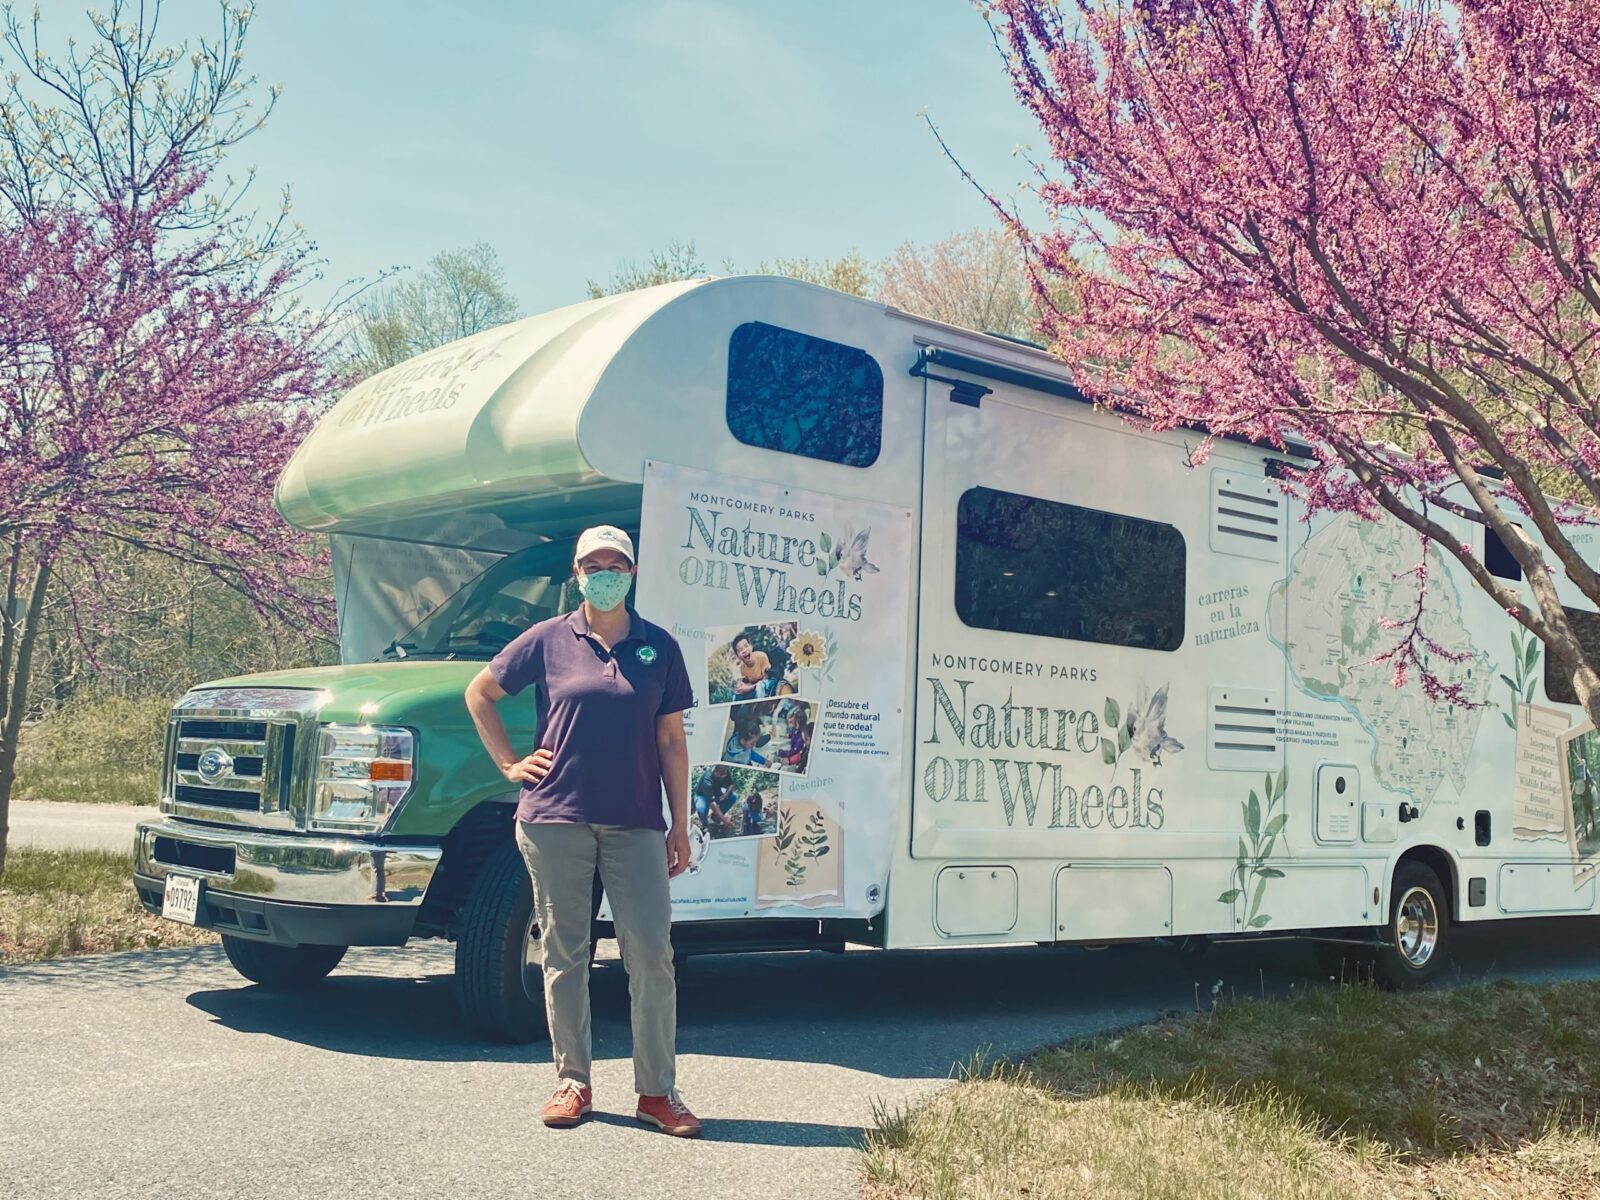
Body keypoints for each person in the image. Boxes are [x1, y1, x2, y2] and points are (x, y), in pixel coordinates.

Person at [464, 524, 703, 1138]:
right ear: (577, 575)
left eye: (615, 564)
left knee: (651, 954)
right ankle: (573, 1082)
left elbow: (672, 740)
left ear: (631, 572)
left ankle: (657, 1091)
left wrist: (681, 821)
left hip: (636, 823)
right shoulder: (548, 639)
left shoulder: (659, 648)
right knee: (565, 953)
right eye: (592, 565)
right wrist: (510, 765)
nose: (604, 573)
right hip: (554, 818)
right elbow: (481, 693)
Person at [730, 634, 771, 699]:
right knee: (736, 696)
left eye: (746, 646)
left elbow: (766, 679)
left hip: (769, 682)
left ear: (751, 646)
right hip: (755, 687)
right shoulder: (742, 668)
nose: (744, 650)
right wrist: (742, 687)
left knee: (760, 686)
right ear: (737, 656)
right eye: (740, 650)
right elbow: (749, 683)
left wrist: (749, 688)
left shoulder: (761, 656)